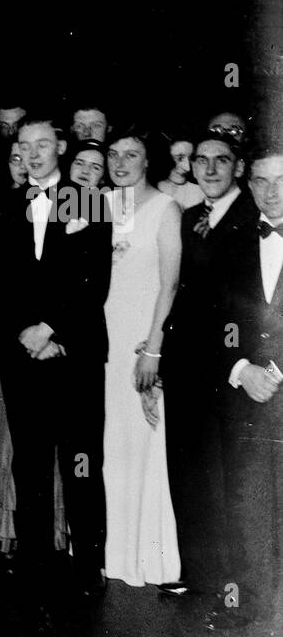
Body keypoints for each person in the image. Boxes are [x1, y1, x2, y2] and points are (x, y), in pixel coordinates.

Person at [0, 116, 113, 602]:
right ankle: (34, 558)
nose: (36, 153)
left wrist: (51, 329)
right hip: (22, 357)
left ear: (60, 147)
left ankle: (88, 565)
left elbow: (93, 282)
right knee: (31, 461)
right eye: (27, 145)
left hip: (73, 353)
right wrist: (21, 336)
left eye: (45, 144)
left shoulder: (90, 200)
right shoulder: (6, 202)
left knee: (81, 461)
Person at [161, 130, 255, 595]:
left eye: (222, 161)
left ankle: (232, 585)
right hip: (184, 366)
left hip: (229, 371)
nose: (211, 169)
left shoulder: (254, 217)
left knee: (227, 480)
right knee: (187, 472)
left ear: (238, 167)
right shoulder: (191, 215)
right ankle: (197, 574)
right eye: (202, 161)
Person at [100, 127, 182, 587]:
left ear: (148, 161)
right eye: (113, 154)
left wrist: (153, 348)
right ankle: (111, 553)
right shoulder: (99, 204)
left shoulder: (166, 208)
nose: (120, 162)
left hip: (139, 343)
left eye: (131, 154)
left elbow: (169, 284)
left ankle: (145, 558)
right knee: (109, 445)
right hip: (101, 342)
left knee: (140, 443)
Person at [212, 145, 283, 624]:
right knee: (247, 504)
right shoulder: (228, 240)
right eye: (260, 180)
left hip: (275, 382)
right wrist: (241, 370)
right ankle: (246, 603)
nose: (271, 191)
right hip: (246, 395)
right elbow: (209, 321)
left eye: (281, 180)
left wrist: (273, 373)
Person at [158, 136, 205, 210]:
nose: (188, 168)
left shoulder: (201, 194)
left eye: (190, 158)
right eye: (180, 158)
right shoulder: (143, 192)